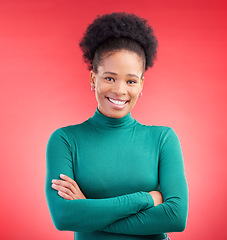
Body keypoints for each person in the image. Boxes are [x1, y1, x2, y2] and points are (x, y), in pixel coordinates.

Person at [45, 12, 188, 240]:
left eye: (131, 81)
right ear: (94, 79)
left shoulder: (163, 139)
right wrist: (146, 199)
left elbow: (176, 218)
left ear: (141, 85)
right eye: (110, 78)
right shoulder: (65, 140)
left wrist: (88, 210)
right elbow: (63, 216)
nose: (120, 90)